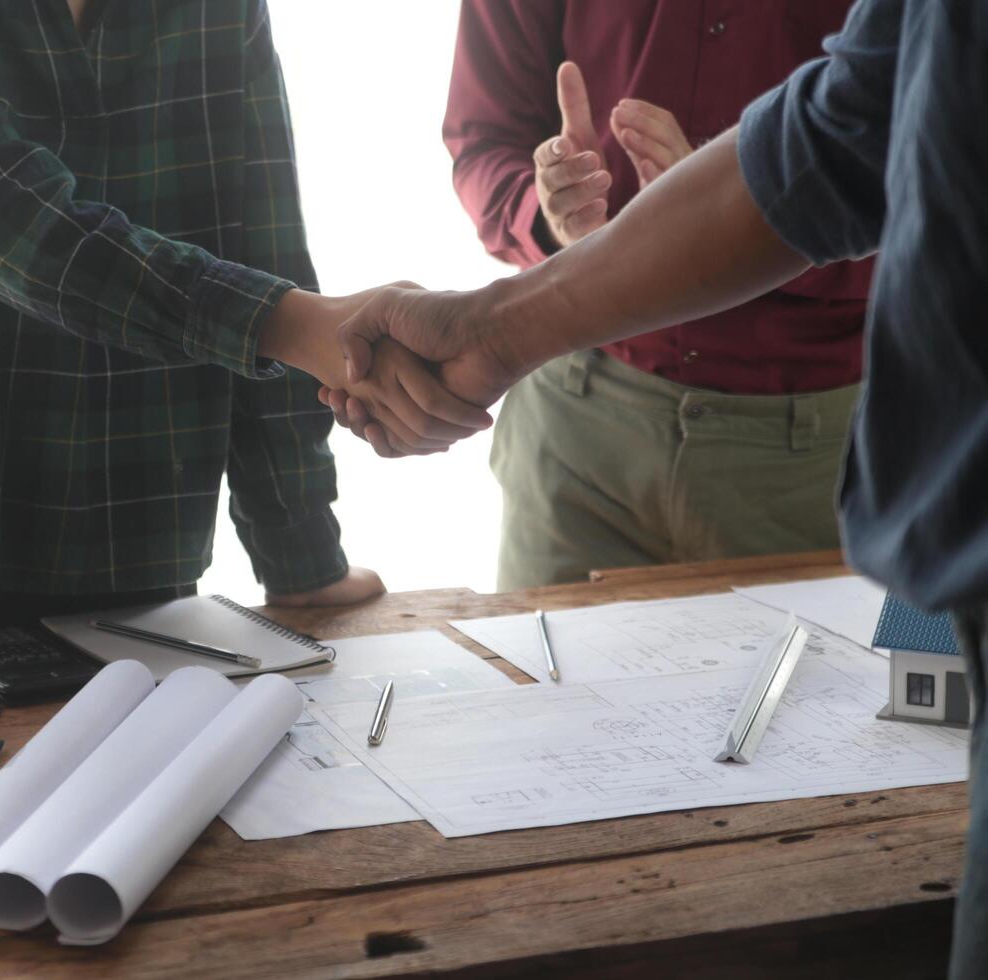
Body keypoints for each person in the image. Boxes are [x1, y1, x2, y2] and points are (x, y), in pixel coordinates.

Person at [328, 0, 987, 972]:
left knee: (815, 864)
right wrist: (548, 230)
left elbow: (879, 165)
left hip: (809, 446)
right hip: (580, 432)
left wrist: (709, 225)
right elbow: (487, 140)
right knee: (533, 813)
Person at [0, 0, 489, 634]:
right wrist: (305, 328)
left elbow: (261, 245)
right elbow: (3, 221)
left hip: (130, 525)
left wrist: (299, 553)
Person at [440, 0, 871, 589]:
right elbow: (484, 138)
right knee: (540, 680)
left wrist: (733, 215)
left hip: (812, 467)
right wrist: (548, 216)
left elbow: (946, 199)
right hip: (573, 436)